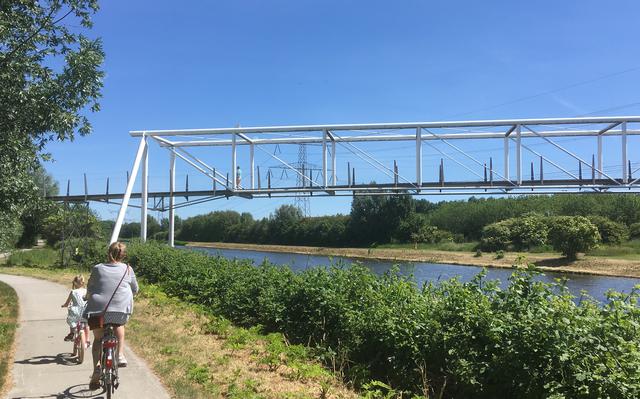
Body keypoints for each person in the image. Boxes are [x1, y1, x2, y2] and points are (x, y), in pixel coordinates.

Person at [84, 242, 138, 390]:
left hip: (98, 310)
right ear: (124, 255)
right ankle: (120, 355)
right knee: (119, 325)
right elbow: (135, 289)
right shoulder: (128, 269)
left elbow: (90, 287)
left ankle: (97, 367)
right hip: (119, 310)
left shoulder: (97, 268)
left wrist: (87, 296)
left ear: (108, 252)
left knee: (98, 339)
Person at [61, 275, 90, 347]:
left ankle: (72, 332)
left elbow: (67, 303)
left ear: (75, 283)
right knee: (86, 325)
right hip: (85, 311)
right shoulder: (86, 291)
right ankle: (88, 340)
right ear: (83, 283)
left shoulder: (73, 292)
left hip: (75, 312)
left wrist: (64, 305)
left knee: (71, 320)